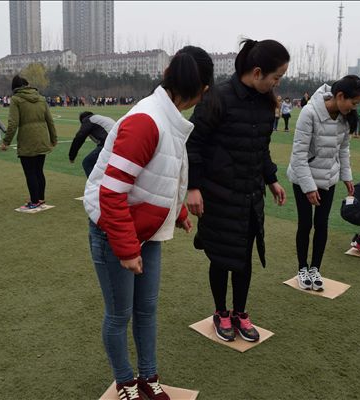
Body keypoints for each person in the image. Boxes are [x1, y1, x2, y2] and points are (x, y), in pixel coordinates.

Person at [84, 45, 214, 400]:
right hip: (115, 231)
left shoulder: (169, 117)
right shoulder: (148, 120)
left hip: (146, 231)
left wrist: (179, 212)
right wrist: (125, 249)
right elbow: (111, 194)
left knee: (147, 310)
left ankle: (148, 377)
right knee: (119, 315)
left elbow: (164, 175)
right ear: (203, 90)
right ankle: (125, 382)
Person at [187, 38, 289, 343]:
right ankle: (221, 312)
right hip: (218, 195)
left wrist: (271, 179)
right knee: (220, 257)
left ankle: (240, 313)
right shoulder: (217, 97)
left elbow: (261, 148)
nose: (277, 82)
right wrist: (192, 187)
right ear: (257, 72)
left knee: (244, 257)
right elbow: (193, 144)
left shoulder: (265, 101)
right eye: (276, 76)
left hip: (250, 195)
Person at [287, 75, 360, 291]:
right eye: (354, 102)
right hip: (303, 178)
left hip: (328, 179)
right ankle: (302, 267)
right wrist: (309, 187)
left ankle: (315, 268)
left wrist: (346, 176)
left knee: (322, 224)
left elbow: (343, 149)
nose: (355, 108)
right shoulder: (309, 112)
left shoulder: (344, 117)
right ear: (340, 96)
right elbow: (298, 156)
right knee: (305, 224)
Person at [1, 76, 57, 210]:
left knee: (30, 172)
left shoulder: (16, 100)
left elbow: (13, 123)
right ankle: (40, 198)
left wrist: (6, 141)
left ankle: (34, 200)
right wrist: (53, 139)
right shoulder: (41, 98)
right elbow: (50, 120)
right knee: (39, 171)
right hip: (42, 138)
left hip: (27, 140)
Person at [68, 111, 116, 177]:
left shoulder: (88, 120)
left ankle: (94, 185)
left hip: (110, 143)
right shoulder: (99, 119)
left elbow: (79, 137)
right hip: (119, 142)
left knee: (87, 163)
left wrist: (72, 156)